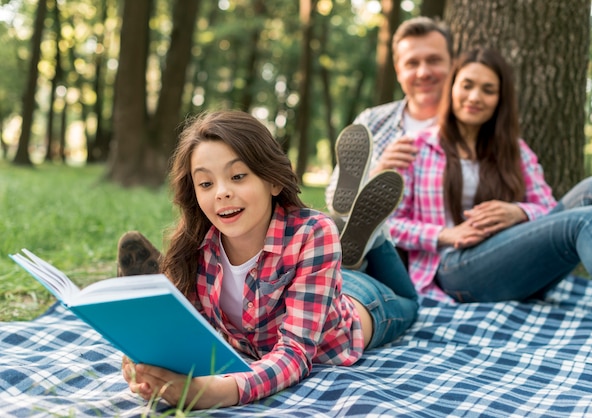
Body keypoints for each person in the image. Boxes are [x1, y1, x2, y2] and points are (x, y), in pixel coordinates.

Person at [119, 110, 418, 409]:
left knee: (410, 301)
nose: (222, 192)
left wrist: (220, 392)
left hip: (362, 306)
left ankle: (375, 236)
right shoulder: (199, 247)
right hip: (317, 277)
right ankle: (351, 240)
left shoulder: (313, 234)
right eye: (206, 184)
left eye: (238, 176)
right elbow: (191, 334)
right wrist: (147, 363)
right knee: (337, 264)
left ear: (273, 181)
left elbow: (295, 353)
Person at [387, 46, 592, 306]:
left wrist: (519, 213)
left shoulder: (515, 151)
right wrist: (445, 234)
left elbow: (548, 207)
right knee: (586, 220)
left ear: (500, 99)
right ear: (452, 88)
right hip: (452, 269)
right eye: (467, 85)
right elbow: (389, 225)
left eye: (488, 90)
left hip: (516, 265)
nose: (475, 96)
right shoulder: (416, 148)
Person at [326, 16, 454, 215]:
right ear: (398, 71)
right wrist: (379, 172)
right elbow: (334, 198)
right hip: (377, 237)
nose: (423, 72)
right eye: (412, 63)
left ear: (452, 64)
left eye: (434, 60)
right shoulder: (371, 123)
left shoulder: (469, 126)